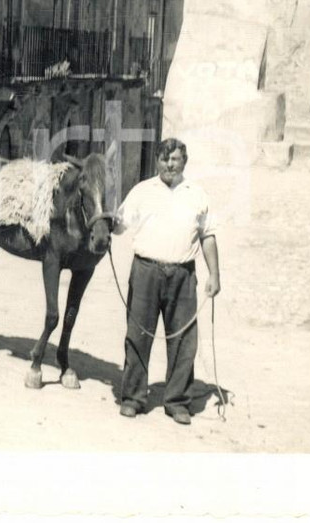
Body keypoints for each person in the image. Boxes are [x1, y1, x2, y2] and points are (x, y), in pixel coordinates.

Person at [111, 138, 220, 425]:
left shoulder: (197, 194)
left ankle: (177, 402)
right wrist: (109, 218)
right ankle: (133, 397)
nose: (169, 165)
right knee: (138, 335)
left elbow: (208, 236)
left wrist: (215, 275)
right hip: (145, 271)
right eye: (164, 159)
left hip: (183, 275)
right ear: (157, 161)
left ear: (185, 161)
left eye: (175, 159)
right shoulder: (141, 191)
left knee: (184, 341)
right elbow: (119, 225)